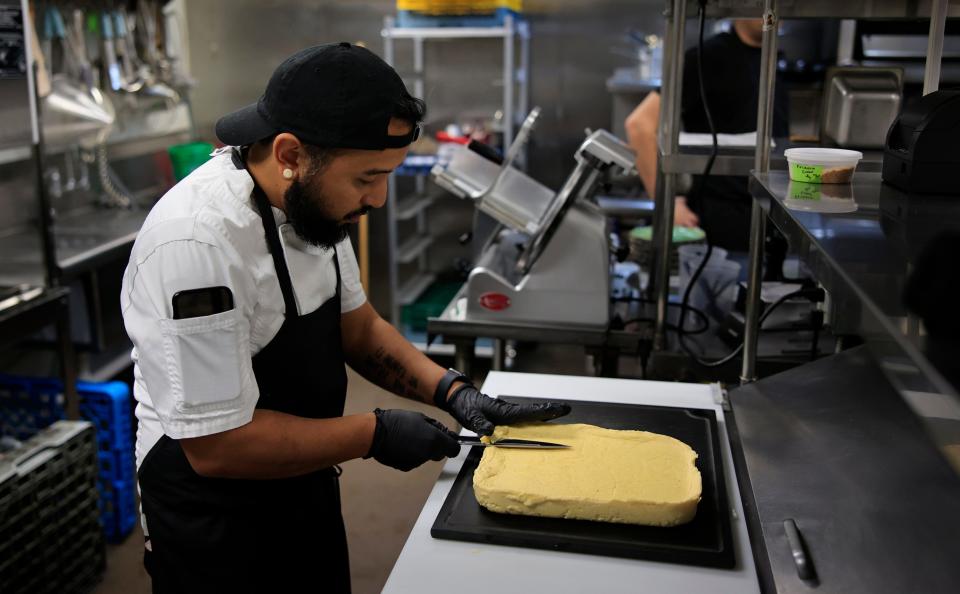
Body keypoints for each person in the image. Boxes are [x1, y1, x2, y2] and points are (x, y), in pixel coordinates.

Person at [121, 43, 570, 593]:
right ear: (290, 153)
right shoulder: (197, 244)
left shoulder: (313, 205)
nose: (378, 198)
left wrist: (454, 392)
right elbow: (219, 446)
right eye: (366, 178)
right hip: (211, 514)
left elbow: (355, 327)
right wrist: (372, 433)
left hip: (301, 475)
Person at [625, 19, 789, 251]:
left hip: (768, 216)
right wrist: (667, 204)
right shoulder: (710, 56)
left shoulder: (771, 58)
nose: (773, 11)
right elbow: (639, 125)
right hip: (721, 222)